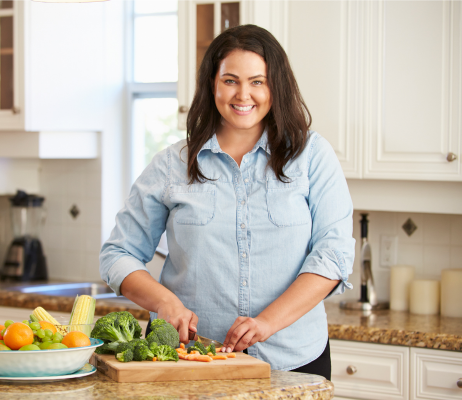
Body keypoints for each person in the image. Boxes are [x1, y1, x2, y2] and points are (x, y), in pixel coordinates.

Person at [99, 24, 354, 380]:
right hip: (188, 361)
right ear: (212, 85)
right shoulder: (172, 165)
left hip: (293, 359)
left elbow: (334, 254)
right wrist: (164, 302)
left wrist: (267, 322)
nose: (243, 94)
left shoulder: (312, 156)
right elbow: (117, 254)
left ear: (275, 86)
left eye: (257, 81)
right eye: (230, 80)